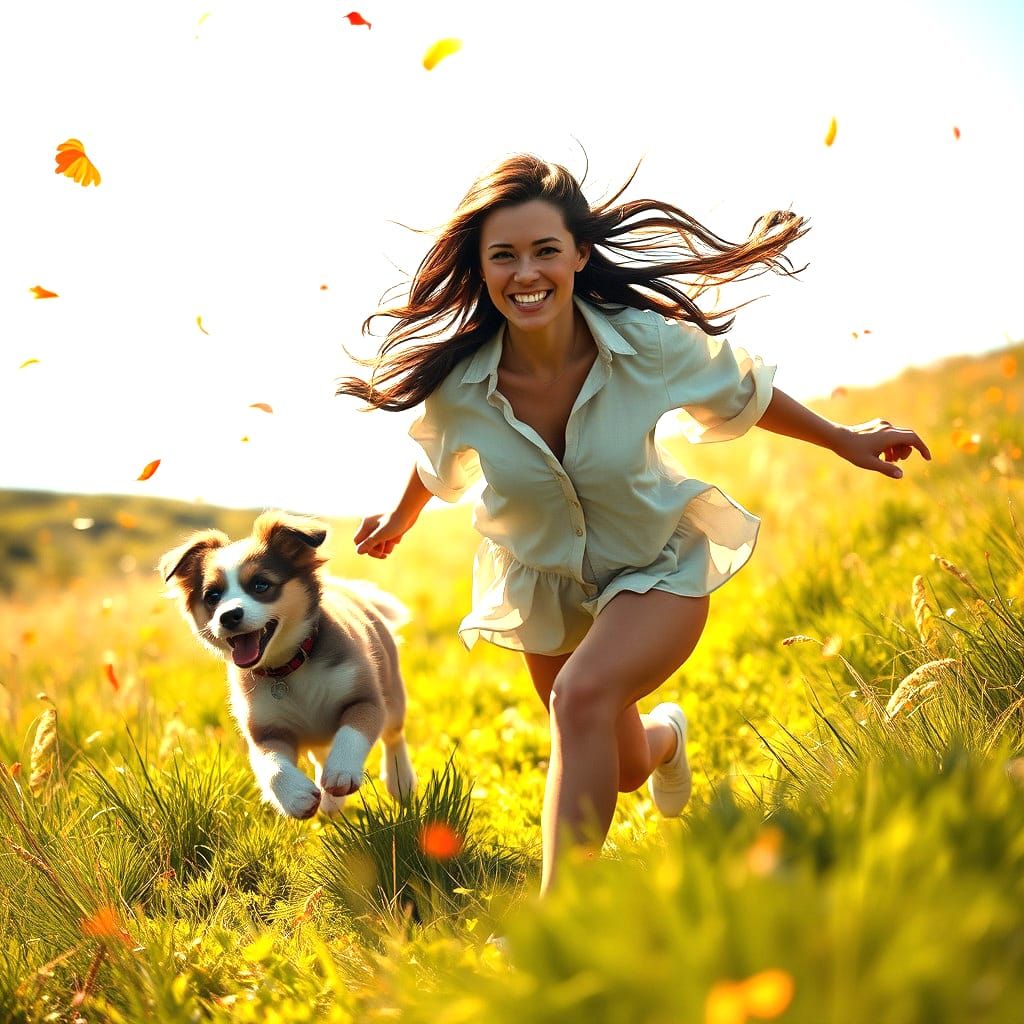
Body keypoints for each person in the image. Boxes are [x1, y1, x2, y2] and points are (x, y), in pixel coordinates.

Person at [336, 154, 931, 896]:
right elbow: (437, 461)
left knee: (578, 700)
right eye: (505, 256)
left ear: (580, 255)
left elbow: (740, 390)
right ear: (481, 270)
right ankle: (665, 738)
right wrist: (397, 520)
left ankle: (560, 925)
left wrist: (843, 436)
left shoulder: (642, 343)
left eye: (545, 250)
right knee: (618, 768)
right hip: (547, 586)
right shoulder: (463, 387)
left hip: (657, 566)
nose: (527, 273)